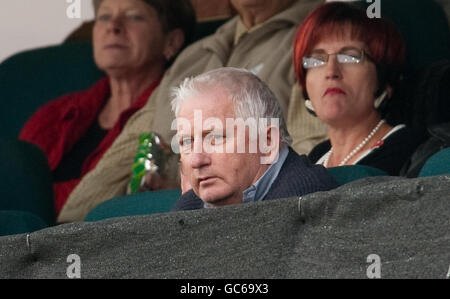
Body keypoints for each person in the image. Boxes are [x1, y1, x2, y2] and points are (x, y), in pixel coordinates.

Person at [58, 0, 326, 222]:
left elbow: (312, 151)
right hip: (168, 216)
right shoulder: (192, 55)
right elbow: (127, 148)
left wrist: (201, 188)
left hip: (252, 211)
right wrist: (65, 226)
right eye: (187, 142)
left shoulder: (317, 39)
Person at [20, 0, 196, 214]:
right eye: (104, 17)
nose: (113, 26)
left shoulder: (174, 113)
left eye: (134, 17)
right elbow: (15, 185)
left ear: (171, 42)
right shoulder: (55, 112)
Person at [170, 68, 338, 211]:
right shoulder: (189, 207)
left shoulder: (306, 199)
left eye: (215, 138)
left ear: (268, 142)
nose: (196, 160)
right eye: (186, 142)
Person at [293, 2, 425, 176]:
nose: (331, 71)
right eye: (317, 60)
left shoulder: (409, 151)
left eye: (350, 56)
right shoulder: (316, 157)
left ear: (384, 78)